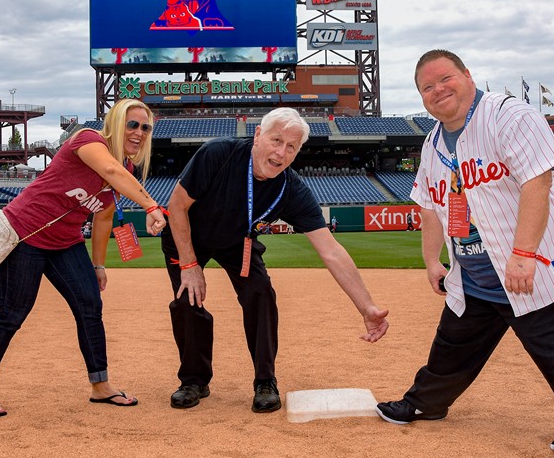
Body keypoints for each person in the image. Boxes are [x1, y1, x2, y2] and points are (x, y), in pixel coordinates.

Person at [376, 50, 554, 458]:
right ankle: (427, 402)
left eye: (445, 79)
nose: (438, 90)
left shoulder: (509, 116)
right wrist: (432, 260)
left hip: (535, 264)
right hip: (475, 272)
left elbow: (538, 181)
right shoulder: (433, 142)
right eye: (427, 87)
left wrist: (523, 253)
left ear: (468, 76)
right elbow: (429, 206)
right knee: (453, 345)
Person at [161, 107, 389, 414]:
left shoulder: (290, 189)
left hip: (237, 242)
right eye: (276, 140)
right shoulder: (219, 153)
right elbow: (176, 206)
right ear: (258, 135)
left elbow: (330, 250)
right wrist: (189, 265)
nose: (281, 152)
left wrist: (367, 308)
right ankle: (193, 380)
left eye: (291, 146)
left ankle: (265, 381)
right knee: (188, 300)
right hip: (187, 233)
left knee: (261, 294)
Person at [0, 98, 168, 417]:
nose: (139, 132)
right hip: (26, 235)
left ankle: (100, 386)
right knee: (12, 312)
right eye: (132, 124)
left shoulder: (127, 169)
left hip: (65, 242)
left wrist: (98, 265)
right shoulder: (88, 139)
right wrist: (152, 206)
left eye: (146, 127)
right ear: (116, 123)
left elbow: (103, 217)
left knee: (90, 305)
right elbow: (109, 168)